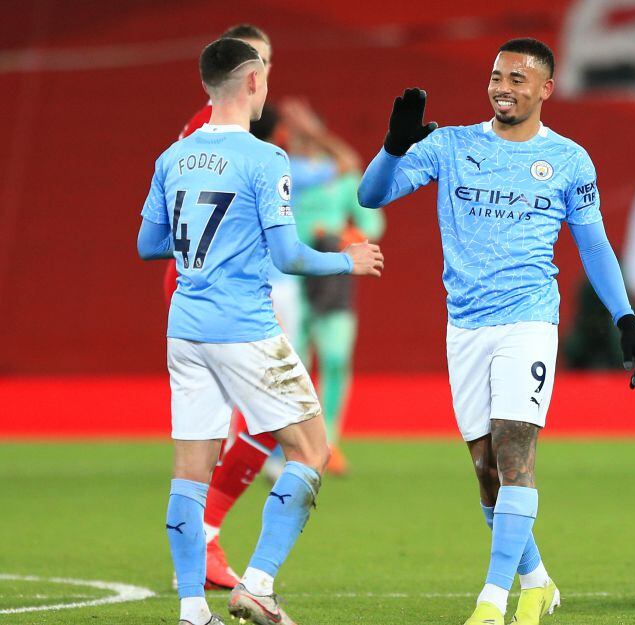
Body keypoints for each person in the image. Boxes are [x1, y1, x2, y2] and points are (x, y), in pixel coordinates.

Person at [358, 37, 635, 625]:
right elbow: (371, 195)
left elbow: (592, 244)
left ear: (546, 88)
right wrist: (393, 146)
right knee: (486, 469)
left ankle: (492, 602)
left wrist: (625, 318)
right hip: (464, 324)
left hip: (528, 320)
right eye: (496, 76)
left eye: (518, 78)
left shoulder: (568, 159)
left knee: (515, 449)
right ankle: (538, 582)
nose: (503, 87)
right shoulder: (450, 144)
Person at [138, 37, 383, 625]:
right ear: (251, 82)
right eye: (265, 75)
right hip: (243, 325)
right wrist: (346, 262)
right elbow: (289, 255)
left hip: (186, 328)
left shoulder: (173, 157)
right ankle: (258, 583)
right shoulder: (263, 158)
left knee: (189, 469)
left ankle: (193, 608)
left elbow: (148, 244)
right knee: (311, 448)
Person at [162, 23, 282, 592]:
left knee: (241, 428)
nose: (264, 77)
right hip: (217, 297)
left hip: (208, 293)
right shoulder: (219, 136)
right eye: (261, 64)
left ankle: (199, 561)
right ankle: (207, 533)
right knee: (270, 423)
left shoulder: (197, 137)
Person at [282, 98, 385, 475]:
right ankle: (290, 446)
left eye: (304, 133)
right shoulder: (281, 172)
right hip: (287, 276)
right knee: (292, 361)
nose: (298, 139)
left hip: (333, 277)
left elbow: (372, 224)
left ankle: (329, 441)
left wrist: (343, 235)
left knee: (335, 358)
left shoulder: (340, 178)